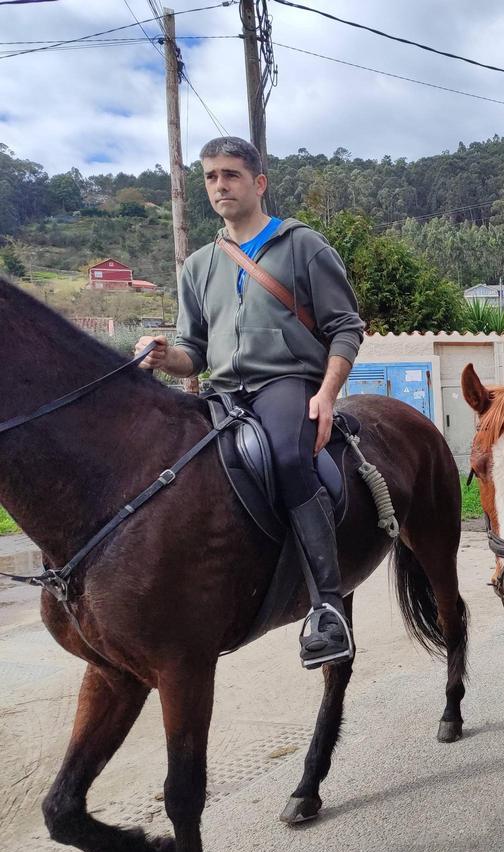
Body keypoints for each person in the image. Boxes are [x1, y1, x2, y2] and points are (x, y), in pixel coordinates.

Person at [135, 136, 366, 669]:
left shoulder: (303, 245)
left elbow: (345, 327)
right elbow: (194, 352)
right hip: (223, 389)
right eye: (211, 176)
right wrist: (163, 355)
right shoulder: (197, 266)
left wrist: (327, 395)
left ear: (258, 183)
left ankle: (327, 608)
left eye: (231, 175)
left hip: (288, 383)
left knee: (288, 455)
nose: (220, 185)